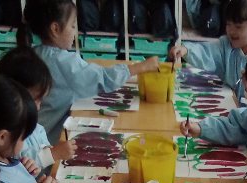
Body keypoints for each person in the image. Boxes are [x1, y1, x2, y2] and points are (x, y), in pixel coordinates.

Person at [18, 0, 159, 144]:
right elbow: (104, 79)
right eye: (73, 26)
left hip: (26, 135)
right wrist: (141, 67)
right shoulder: (63, 61)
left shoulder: (35, 52)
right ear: (55, 29)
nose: (75, 32)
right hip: (41, 143)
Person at [0, 46, 76, 170]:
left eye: (41, 100)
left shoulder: (34, 126)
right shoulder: (9, 135)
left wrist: (50, 149)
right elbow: (18, 168)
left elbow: (41, 141)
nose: (38, 107)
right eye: (35, 100)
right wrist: (53, 154)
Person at [169, 0, 247, 101]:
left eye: (238, 27)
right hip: (229, 103)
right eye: (228, 24)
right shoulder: (225, 45)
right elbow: (207, 51)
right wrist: (186, 50)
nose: (232, 31)